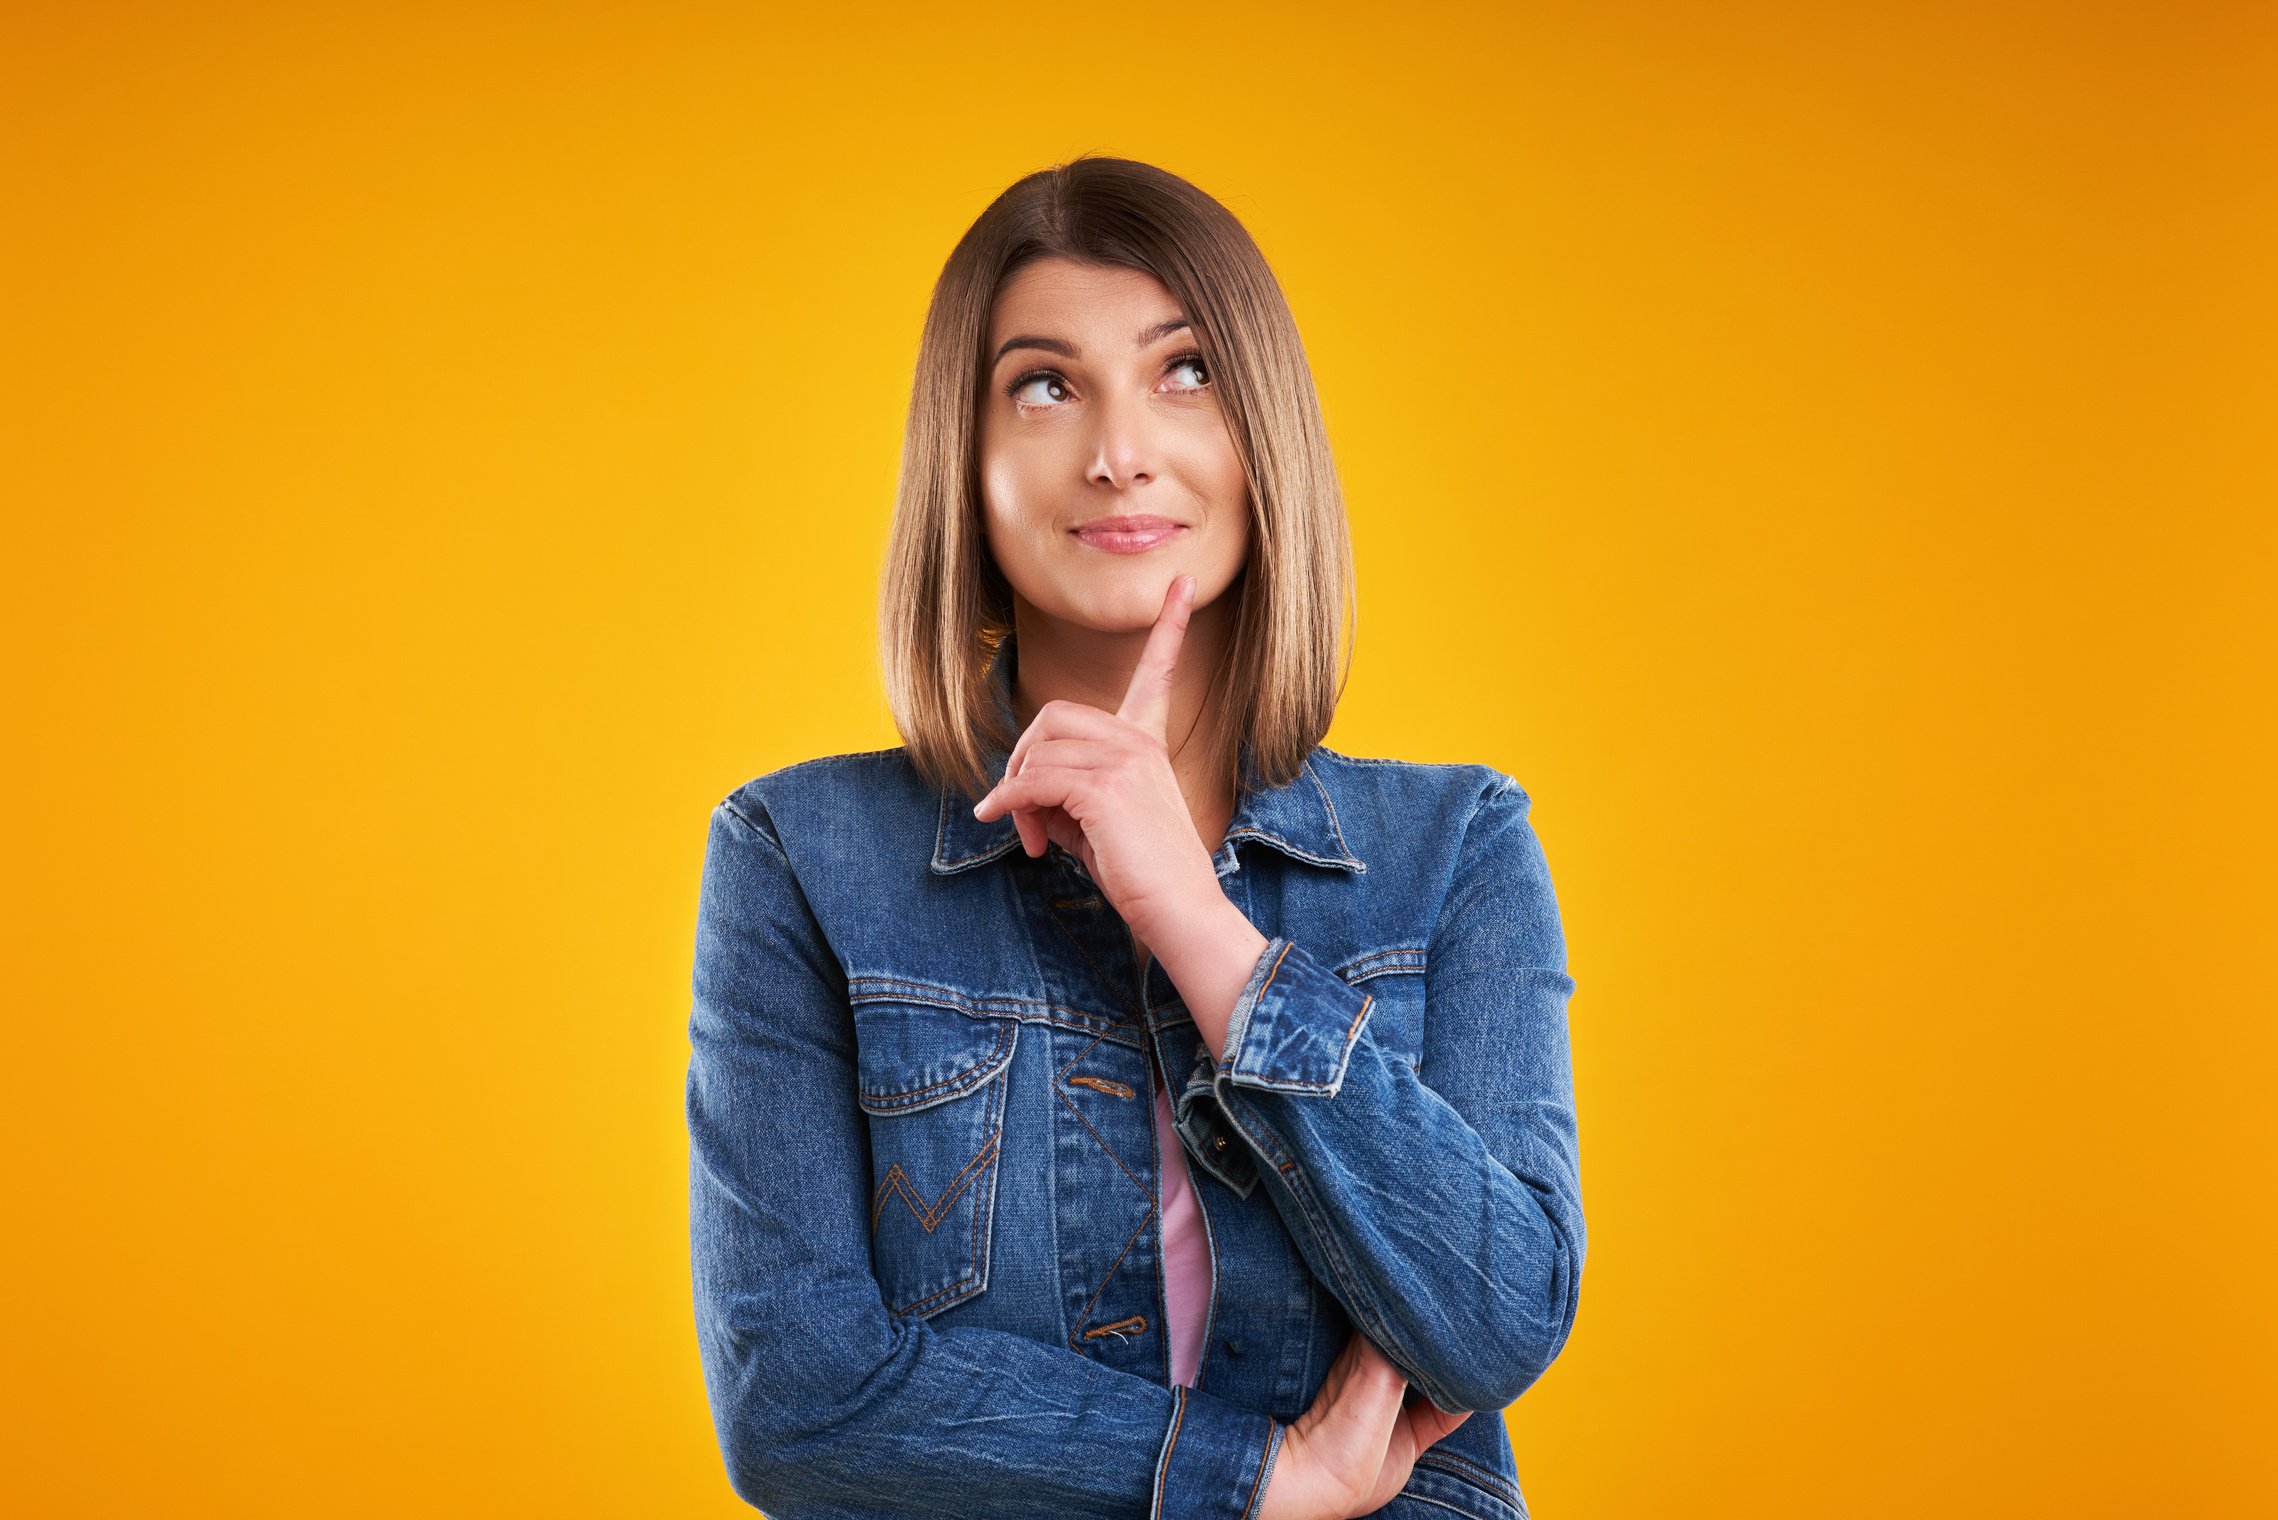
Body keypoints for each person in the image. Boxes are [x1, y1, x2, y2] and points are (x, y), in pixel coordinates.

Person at [687, 155, 1584, 1520]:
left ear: (1260, 434)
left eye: (1185, 373)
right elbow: (800, 1406)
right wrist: (1258, 1482)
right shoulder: (800, 857)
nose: (1118, 450)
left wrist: (1198, 925)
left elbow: (1498, 1322)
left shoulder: (1452, 848)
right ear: (966, 465)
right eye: (1043, 385)